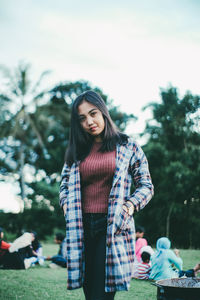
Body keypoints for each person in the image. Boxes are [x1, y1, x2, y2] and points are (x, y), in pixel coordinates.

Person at [59, 90, 154, 300]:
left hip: (112, 226)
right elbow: (64, 185)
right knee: (89, 290)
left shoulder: (127, 145)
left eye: (93, 113)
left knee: (101, 293)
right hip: (81, 227)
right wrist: (66, 205)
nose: (89, 121)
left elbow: (146, 185)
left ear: (103, 112)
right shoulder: (77, 150)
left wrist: (129, 207)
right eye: (82, 118)